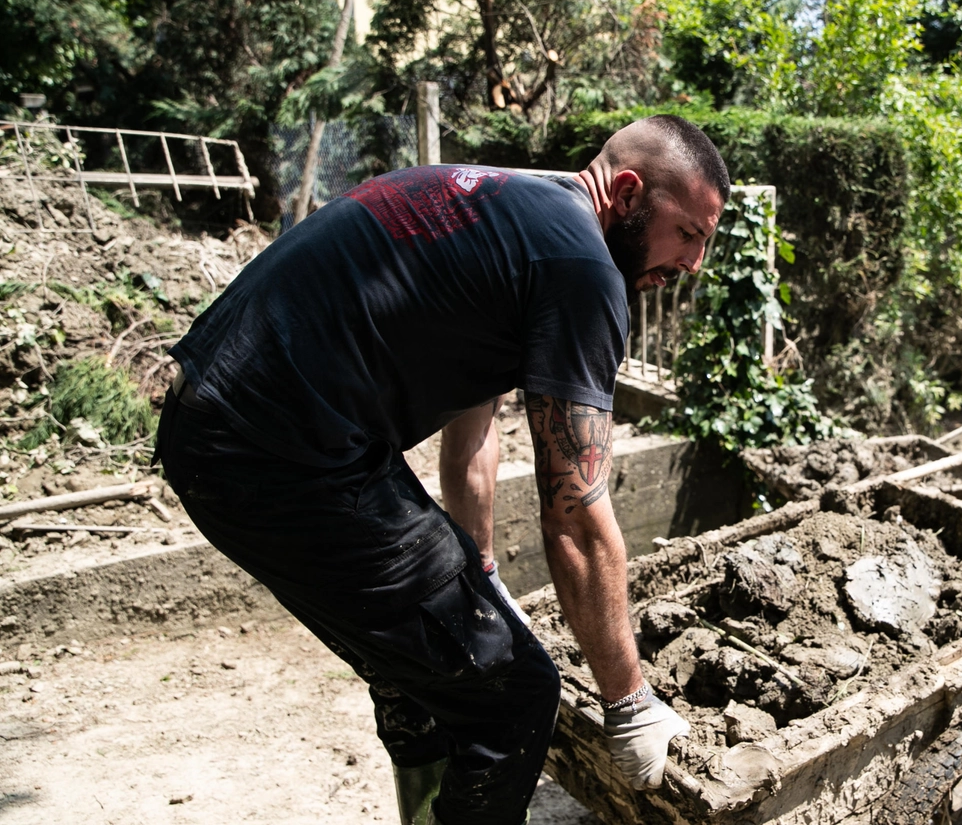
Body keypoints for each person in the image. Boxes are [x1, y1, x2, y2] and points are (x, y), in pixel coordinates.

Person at [157, 116, 730, 825]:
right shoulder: (583, 266)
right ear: (627, 190)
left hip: (221, 421)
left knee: (427, 665)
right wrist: (629, 701)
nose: (695, 262)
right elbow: (575, 511)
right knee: (516, 694)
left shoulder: (516, 212)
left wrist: (479, 570)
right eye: (690, 234)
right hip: (281, 449)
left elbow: (471, 439)